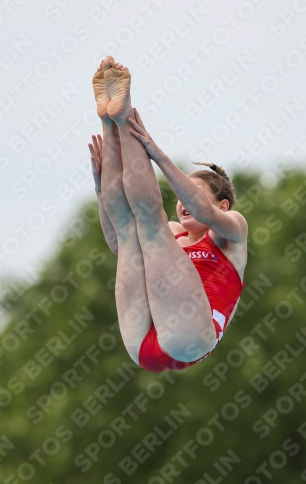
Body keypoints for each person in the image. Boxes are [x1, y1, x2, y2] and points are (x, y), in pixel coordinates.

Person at [88, 56, 248, 373]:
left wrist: (155, 152)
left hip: (188, 338)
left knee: (150, 225)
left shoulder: (232, 232)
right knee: (129, 230)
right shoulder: (174, 233)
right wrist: (99, 186)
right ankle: (110, 120)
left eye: (194, 192)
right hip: (145, 346)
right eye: (183, 195)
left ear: (223, 205)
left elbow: (202, 209)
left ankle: (123, 117)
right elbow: (116, 243)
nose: (184, 202)